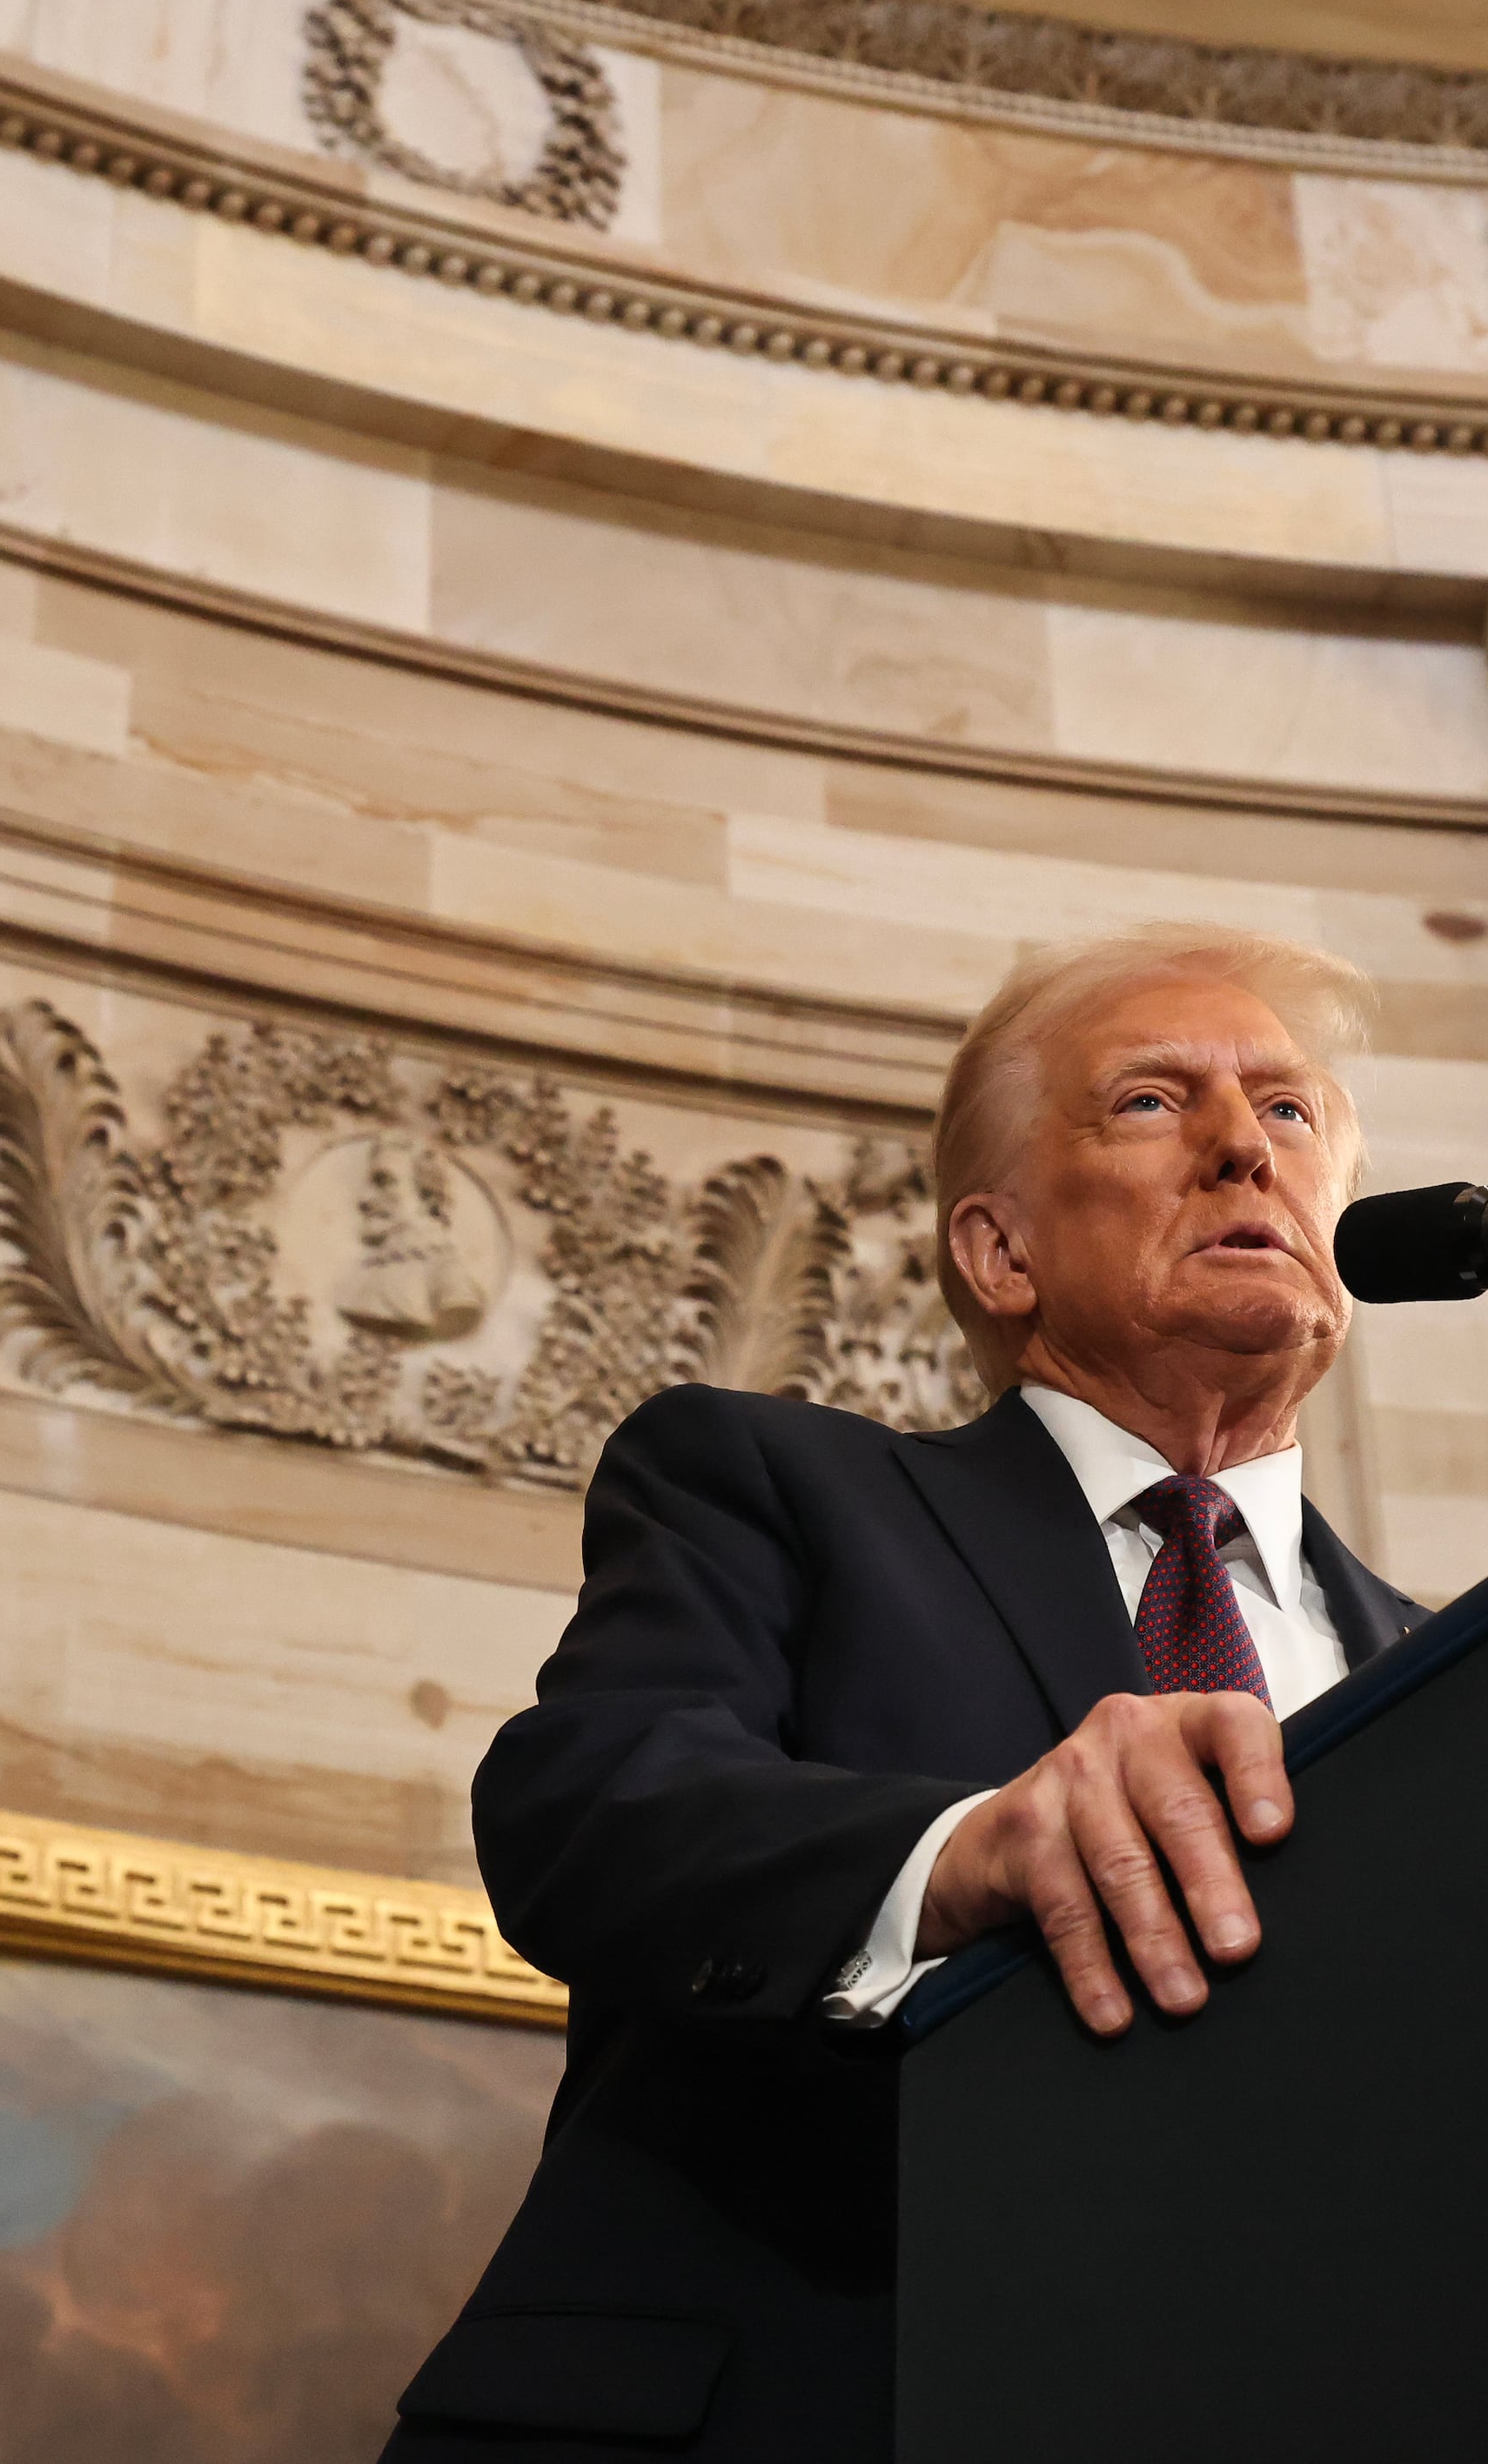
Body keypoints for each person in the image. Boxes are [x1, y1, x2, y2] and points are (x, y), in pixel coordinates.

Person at [385, 927, 1424, 2461]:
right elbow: (588, 1806)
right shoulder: (772, 1485)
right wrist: (966, 1853)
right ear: (997, 1250)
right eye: (1151, 1101)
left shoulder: (1455, 1666)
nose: (1236, 1150)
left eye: (1289, 1112)